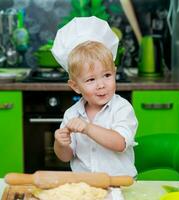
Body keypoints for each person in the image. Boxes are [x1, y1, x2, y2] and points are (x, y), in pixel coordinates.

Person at [51, 16, 138, 177]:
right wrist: (60, 143)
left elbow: (120, 143)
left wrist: (88, 128)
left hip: (118, 185)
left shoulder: (122, 108)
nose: (101, 85)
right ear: (75, 86)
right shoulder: (71, 114)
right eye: (91, 79)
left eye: (106, 75)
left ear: (115, 73)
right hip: (85, 186)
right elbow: (66, 157)